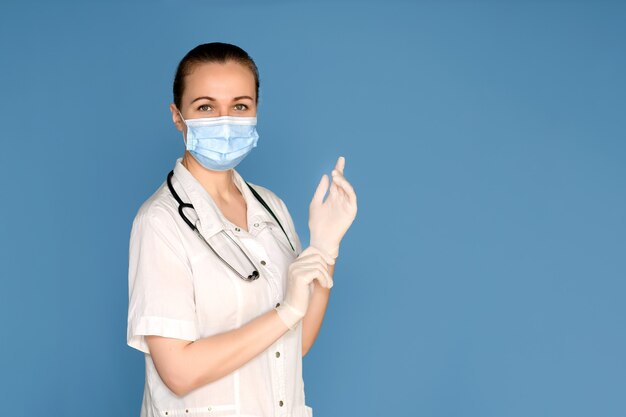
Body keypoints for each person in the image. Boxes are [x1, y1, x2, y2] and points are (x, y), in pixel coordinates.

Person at [126, 42, 357, 417]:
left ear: (255, 111)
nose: (225, 120)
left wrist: (325, 250)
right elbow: (178, 372)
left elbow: (293, 347)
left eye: (239, 106)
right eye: (205, 107)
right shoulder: (160, 221)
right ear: (177, 116)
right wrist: (286, 311)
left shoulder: (271, 208)